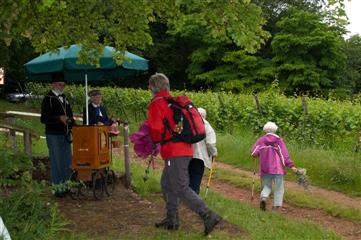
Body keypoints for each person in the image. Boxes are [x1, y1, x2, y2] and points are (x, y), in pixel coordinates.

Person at [147, 73, 221, 235]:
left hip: (174, 151)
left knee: (180, 186)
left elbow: (157, 131)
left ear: (152, 87)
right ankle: (172, 219)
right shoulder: (172, 101)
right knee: (167, 184)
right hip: (184, 149)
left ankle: (208, 215)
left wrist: (151, 139)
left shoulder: (157, 104)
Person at [40, 72, 75, 197]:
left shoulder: (65, 98)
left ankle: (66, 186)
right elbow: (43, 119)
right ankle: (57, 188)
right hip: (53, 135)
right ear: (53, 85)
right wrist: (58, 118)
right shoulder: (48, 99)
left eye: (63, 85)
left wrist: (73, 125)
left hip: (66, 135)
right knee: (56, 161)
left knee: (67, 161)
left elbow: (70, 116)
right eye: (59, 85)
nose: (61, 87)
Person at [250, 121, 297, 211]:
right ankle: (276, 207)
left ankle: (264, 197)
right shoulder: (278, 140)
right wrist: (290, 165)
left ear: (265, 131)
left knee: (266, 186)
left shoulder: (261, 140)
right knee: (279, 187)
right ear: (275, 130)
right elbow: (284, 155)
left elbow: (253, 152)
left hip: (265, 168)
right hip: (277, 169)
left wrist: (259, 153)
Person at [189, 107, 217, 194]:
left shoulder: (188, 122)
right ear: (205, 116)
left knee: (186, 175)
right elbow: (210, 143)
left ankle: (184, 196)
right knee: (196, 177)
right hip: (199, 157)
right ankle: (193, 198)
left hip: (186, 154)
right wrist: (214, 152)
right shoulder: (207, 125)